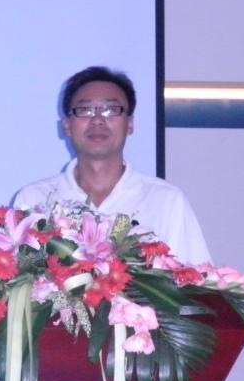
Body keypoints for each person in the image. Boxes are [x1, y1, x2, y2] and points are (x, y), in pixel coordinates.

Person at [13, 65, 212, 265]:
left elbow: (199, 279)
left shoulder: (166, 201)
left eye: (110, 110)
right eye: (85, 110)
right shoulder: (34, 199)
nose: (97, 120)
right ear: (66, 126)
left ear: (130, 124)